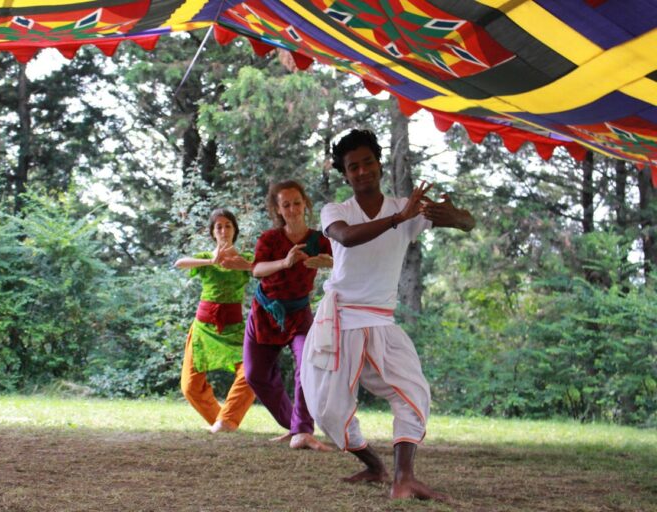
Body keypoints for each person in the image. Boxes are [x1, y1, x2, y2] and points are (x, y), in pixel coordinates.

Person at [301, 129, 474, 501]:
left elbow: (468, 222)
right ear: (344, 174)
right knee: (326, 408)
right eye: (353, 167)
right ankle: (375, 465)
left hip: (380, 321)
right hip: (340, 319)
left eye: (367, 163)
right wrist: (399, 219)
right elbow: (345, 238)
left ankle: (404, 478)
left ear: (379, 164)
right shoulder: (337, 211)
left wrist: (457, 216)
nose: (361, 171)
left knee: (413, 391)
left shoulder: (405, 208)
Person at [244, 180, 334, 451]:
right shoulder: (270, 239)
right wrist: (285, 262)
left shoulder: (319, 240)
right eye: (286, 205)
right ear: (278, 209)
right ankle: (294, 422)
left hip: (299, 313)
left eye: (297, 203)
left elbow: (342, 263)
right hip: (265, 311)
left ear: (305, 203)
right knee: (254, 374)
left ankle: (302, 430)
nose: (293, 209)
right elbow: (256, 269)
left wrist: (329, 263)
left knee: (306, 365)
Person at [174, 208, 257, 433]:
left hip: (233, 328)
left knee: (252, 374)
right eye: (218, 226)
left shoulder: (246, 259)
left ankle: (227, 421)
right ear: (212, 232)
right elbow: (179, 263)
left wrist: (241, 264)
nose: (223, 230)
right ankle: (220, 422)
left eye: (228, 225)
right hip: (203, 328)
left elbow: (263, 270)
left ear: (235, 230)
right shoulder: (203, 260)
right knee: (189, 386)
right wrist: (212, 261)